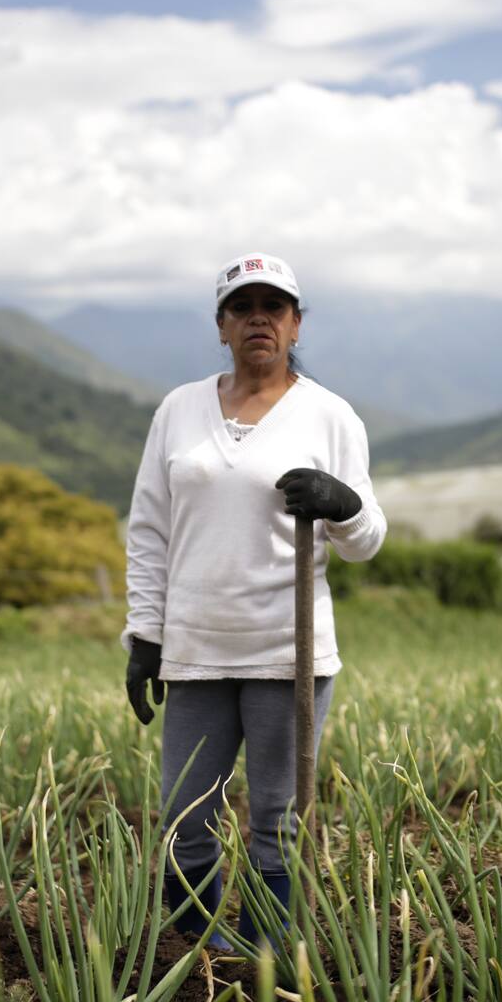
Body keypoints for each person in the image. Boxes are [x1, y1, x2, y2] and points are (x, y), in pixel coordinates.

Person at [122, 251, 386, 946]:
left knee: (276, 820)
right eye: (242, 307)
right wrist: (145, 635)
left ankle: (266, 962)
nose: (258, 319)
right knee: (185, 818)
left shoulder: (330, 416)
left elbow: (366, 542)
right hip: (195, 651)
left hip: (286, 652)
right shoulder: (178, 410)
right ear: (221, 326)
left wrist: (344, 504)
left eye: (274, 307)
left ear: (296, 324)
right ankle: (192, 959)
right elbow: (148, 529)